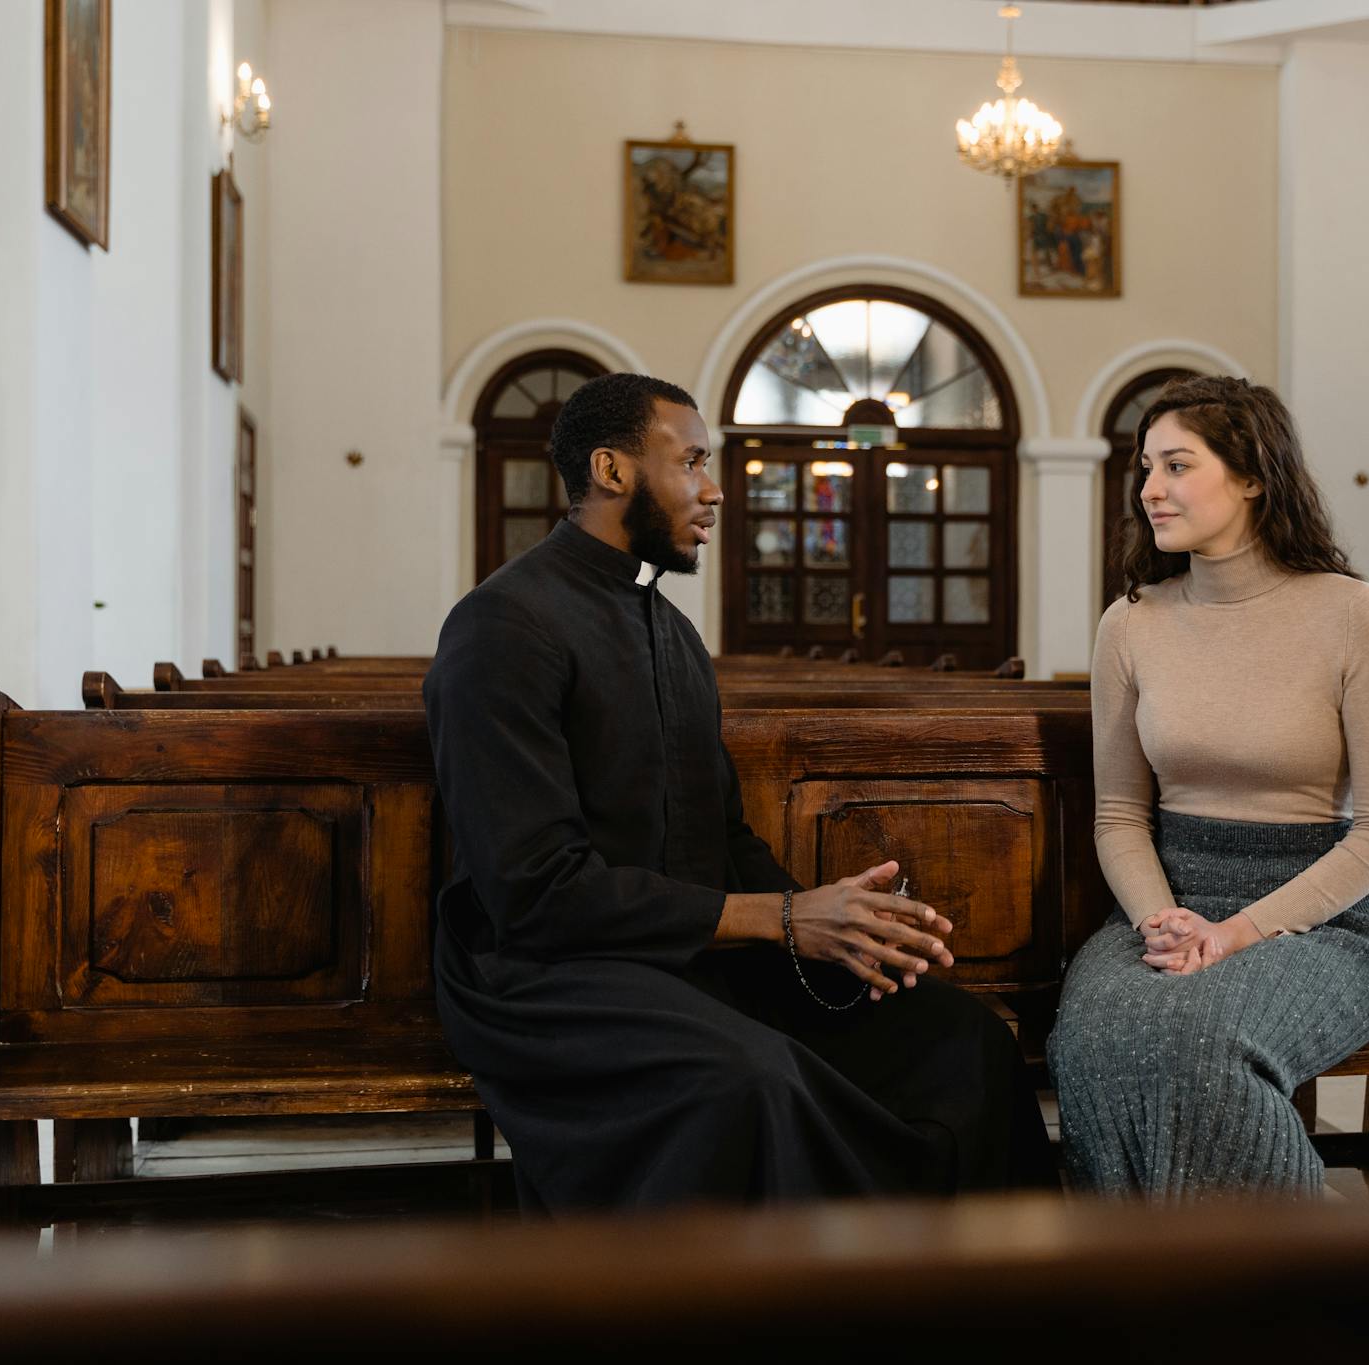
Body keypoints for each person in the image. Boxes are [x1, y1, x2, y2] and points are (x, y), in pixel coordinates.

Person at [425, 372, 1054, 1212]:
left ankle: (984, 1304)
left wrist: (836, 923)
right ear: (612, 471)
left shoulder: (673, 631)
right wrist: (783, 920)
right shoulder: (503, 626)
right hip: (547, 975)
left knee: (962, 1039)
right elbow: (532, 892)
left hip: (690, 952)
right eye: (691, 462)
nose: (714, 490)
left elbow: (723, 839)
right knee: (753, 1081)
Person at [1046, 375, 1369, 1199]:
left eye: (1177, 465)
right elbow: (1118, 814)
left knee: (1203, 1040)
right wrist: (1161, 921)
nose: (1149, 489)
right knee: (1094, 1035)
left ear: (1253, 474)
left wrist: (1240, 933)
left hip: (1321, 920)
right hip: (1167, 907)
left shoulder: (1356, 614)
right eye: (1146, 468)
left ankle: (1267, 1289)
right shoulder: (1131, 622)